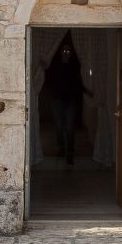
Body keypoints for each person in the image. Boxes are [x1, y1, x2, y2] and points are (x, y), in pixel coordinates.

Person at [46, 37, 85, 165]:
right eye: (64, 50)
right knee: (58, 126)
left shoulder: (75, 65)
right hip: (56, 99)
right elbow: (48, 79)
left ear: (72, 52)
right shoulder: (54, 65)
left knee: (70, 127)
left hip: (71, 101)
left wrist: (87, 92)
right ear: (60, 51)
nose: (66, 52)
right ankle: (62, 148)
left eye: (69, 50)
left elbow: (78, 82)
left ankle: (70, 152)